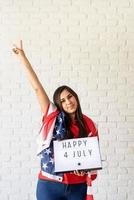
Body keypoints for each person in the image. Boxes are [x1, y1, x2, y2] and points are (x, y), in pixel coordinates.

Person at [12, 41, 99, 200]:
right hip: (49, 185)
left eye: (70, 97)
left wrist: (85, 169)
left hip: (77, 187)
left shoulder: (89, 124)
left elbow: (92, 157)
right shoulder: (53, 116)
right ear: (59, 105)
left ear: (75, 97)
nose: (68, 102)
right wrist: (22, 57)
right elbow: (37, 87)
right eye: (63, 100)